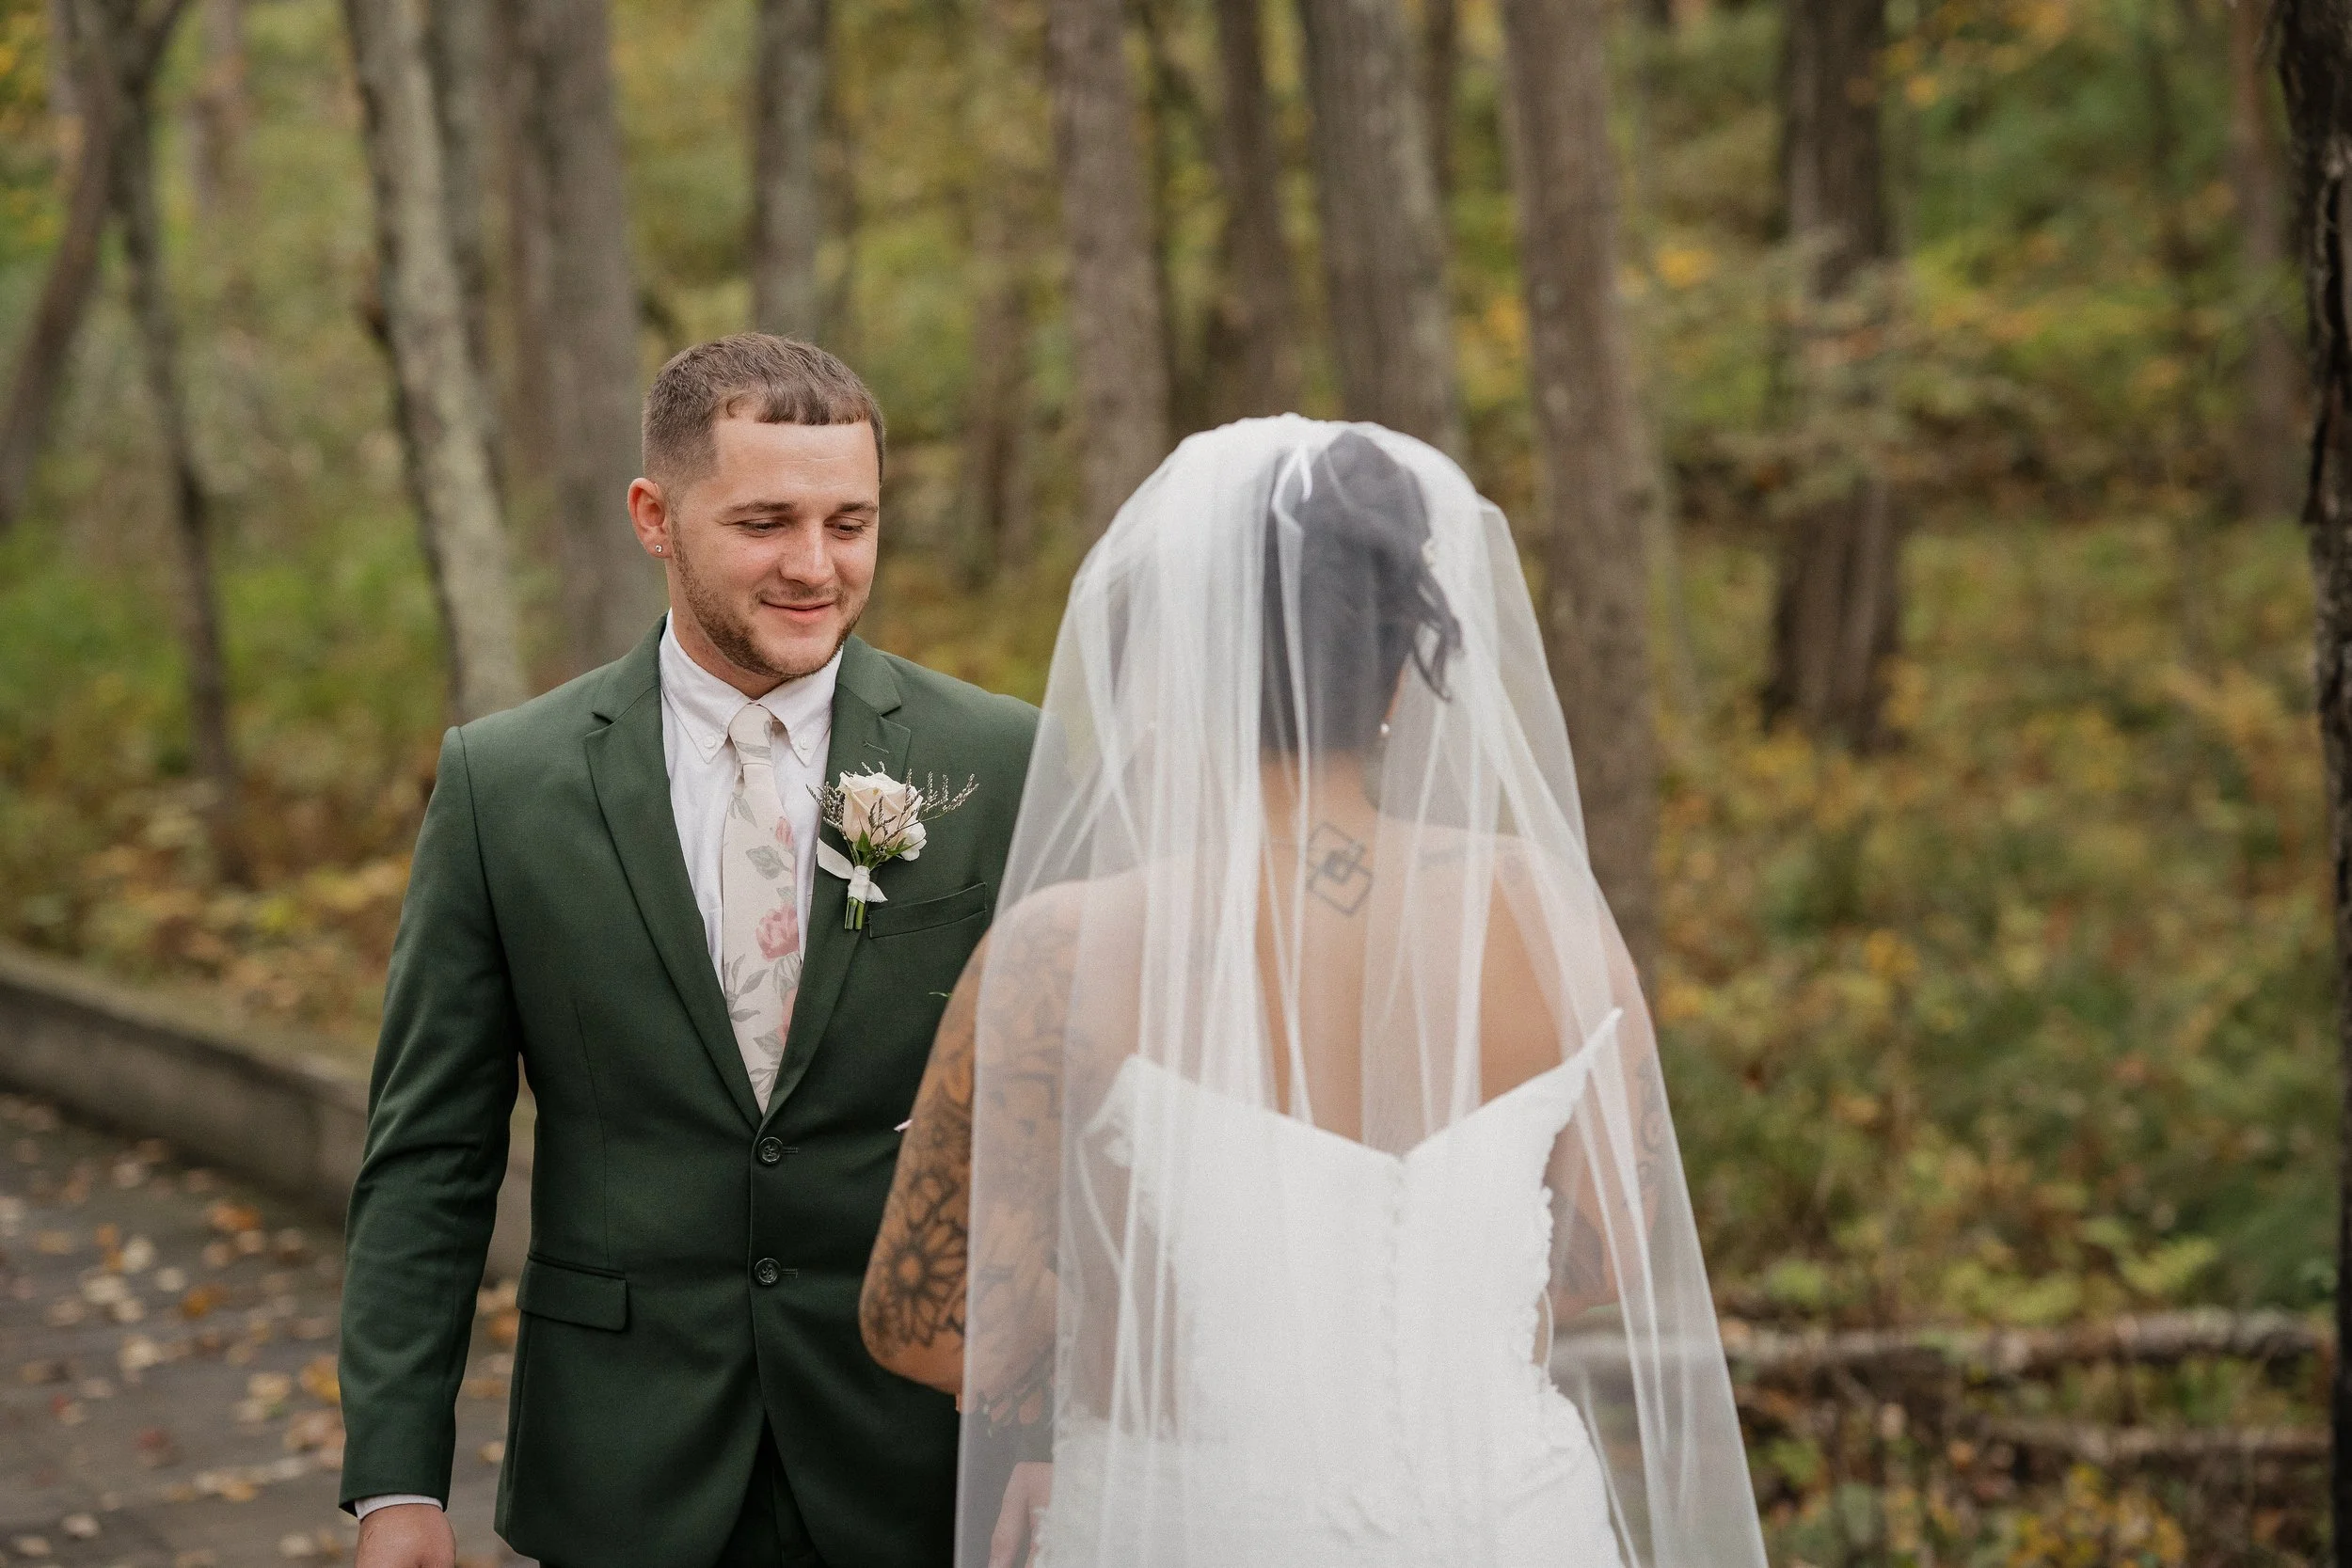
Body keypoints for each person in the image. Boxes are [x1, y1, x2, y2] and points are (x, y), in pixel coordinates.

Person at [861, 418, 1768, 1567]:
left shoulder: (1063, 951)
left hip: (1185, 1522)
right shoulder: (1548, 910)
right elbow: (1604, 1256)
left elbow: (925, 1326)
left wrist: (1121, 1337)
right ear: (1403, 667)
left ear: (1166, 670)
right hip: (1507, 1522)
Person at [340, 335, 1038, 1568]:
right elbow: (430, 1157)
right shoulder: (503, 784)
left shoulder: (1003, 761)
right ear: (654, 516)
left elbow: (1066, 1137)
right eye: (767, 520)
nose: (815, 565)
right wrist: (397, 1475)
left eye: (851, 520)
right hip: (622, 1467)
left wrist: (1046, 1427)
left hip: (922, 1466)